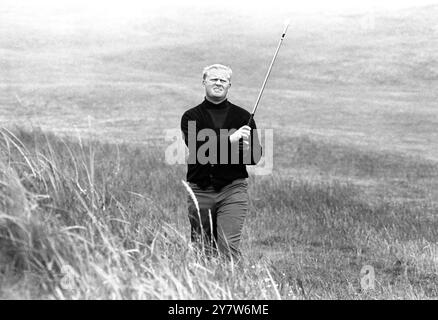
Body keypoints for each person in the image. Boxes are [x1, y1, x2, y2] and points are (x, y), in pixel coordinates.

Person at [180, 64, 262, 262]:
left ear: (229, 85)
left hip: (233, 190)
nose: (218, 83)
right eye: (213, 79)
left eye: (223, 80)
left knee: (228, 249)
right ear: (204, 83)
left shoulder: (244, 117)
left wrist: (246, 148)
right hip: (200, 191)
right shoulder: (191, 117)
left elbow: (255, 157)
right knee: (203, 250)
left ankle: (232, 291)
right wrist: (231, 140)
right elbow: (200, 149)